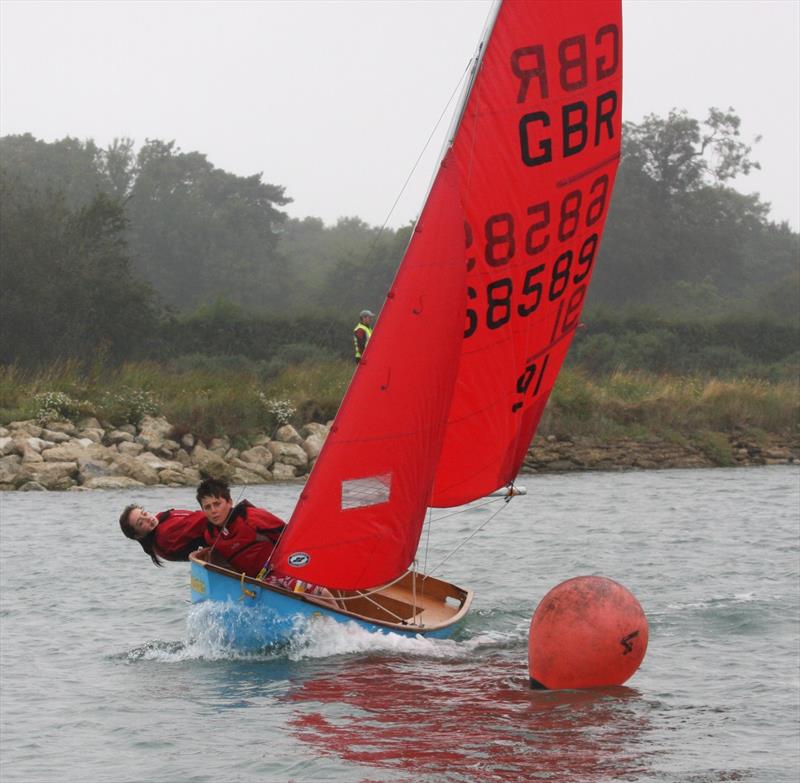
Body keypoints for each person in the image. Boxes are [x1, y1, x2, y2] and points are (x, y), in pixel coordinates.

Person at [198, 478, 333, 600]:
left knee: (318, 593)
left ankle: (343, 620)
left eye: (217, 504)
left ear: (229, 502)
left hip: (285, 569)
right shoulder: (210, 536)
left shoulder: (251, 517)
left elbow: (291, 537)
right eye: (207, 507)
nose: (213, 511)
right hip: (259, 582)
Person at [119, 504, 207, 566]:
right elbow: (206, 519)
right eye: (141, 523)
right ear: (138, 536)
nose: (148, 519)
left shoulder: (159, 520)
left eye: (144, 513)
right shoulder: (165, 536)